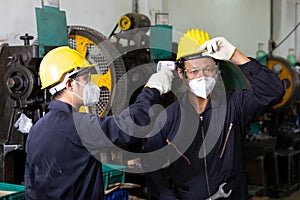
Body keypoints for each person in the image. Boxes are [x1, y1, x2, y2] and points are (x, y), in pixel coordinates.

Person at [141, 30, 285, 200]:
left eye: (208, 69)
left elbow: (273, 91)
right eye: (194, 71)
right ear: (182, 74)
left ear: (217, 71)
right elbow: (150, 163)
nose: (202, 77)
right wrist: (167, 196)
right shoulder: (168, 118)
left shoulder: (234, 105)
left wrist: (235, 55)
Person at [24, 46, 174, 199]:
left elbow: (31, 187)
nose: (92, 84)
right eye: (86, 79)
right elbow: (130, 124)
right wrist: (152, 89)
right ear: (69, 84)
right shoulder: (78, 125)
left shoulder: (36, 129)